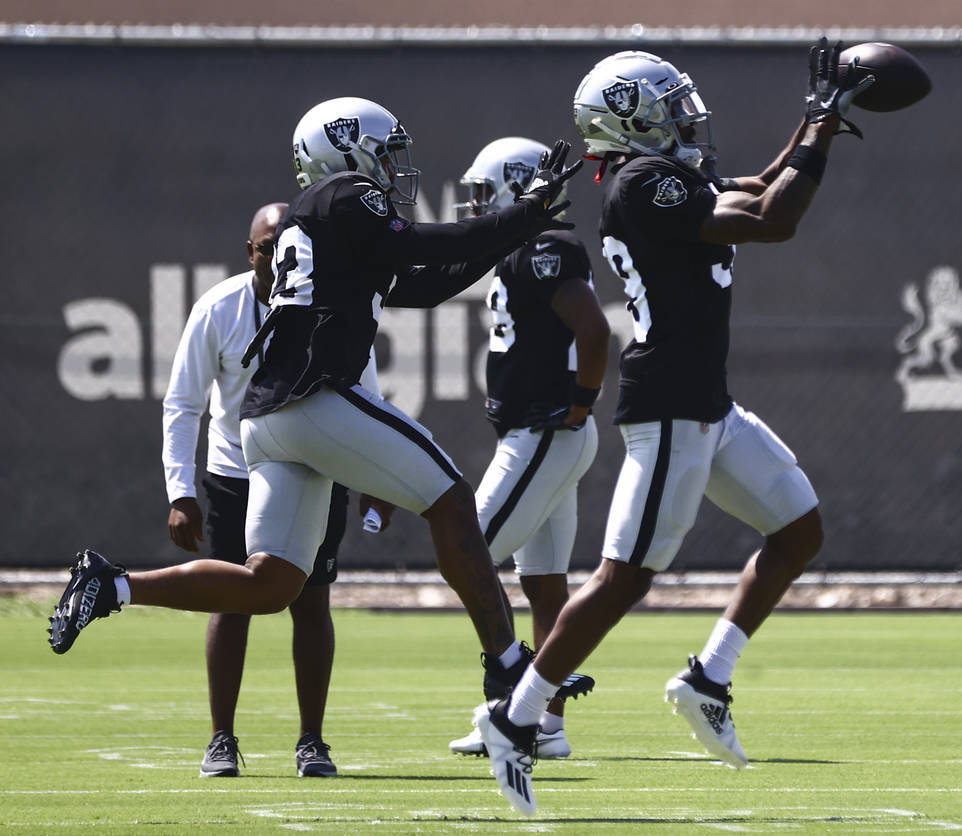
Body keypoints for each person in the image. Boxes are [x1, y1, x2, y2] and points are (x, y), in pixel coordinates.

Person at [49, 97, 585, 712]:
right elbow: (427, 246)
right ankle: (508, 664)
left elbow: (430, 284)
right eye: (385, 153)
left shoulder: (329, 224)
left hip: (272, 418)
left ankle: (112, 584)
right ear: (348, 151)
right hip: (316, 399)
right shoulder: (344, 195)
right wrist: (524, 212)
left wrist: (517, 225)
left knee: (269, 583)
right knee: (452, 499)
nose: (392, 168)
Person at [477, 42, 875, 815]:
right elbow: (772, 217)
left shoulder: (667, 177)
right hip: (669, 409)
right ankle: (516, 717)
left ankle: (707, 678)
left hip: (709, 405)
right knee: (623, 577)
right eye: (670, 104)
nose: (689, 115)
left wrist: (814, 120)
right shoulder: (639, 181)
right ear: (631, 119)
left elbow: (758, 187)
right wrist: (824, 131)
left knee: (798, 530)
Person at [162, 201, 390, 778]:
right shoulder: (219, 306)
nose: (279, 254)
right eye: (268, 246)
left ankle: (311, 741)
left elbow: (366, 394)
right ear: (250, 251)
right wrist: (180, 489)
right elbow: (184, 404)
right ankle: (221, 739)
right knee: (230, 602)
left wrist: (378, 473)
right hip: (235, 473)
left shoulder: (329, 304)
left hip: (315, 468)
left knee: (311, 601)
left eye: (290, 243)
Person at [446, 137, 610, 760]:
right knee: (543, 584)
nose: (476, 206)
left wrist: (582, 400)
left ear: (518, 186)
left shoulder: (546, 247)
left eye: (484, 193)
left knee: (469, 550)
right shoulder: (518, 248)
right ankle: (546, 727)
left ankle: (510, 700)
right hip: (542, 434)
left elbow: (594, 330)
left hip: (547, 431)